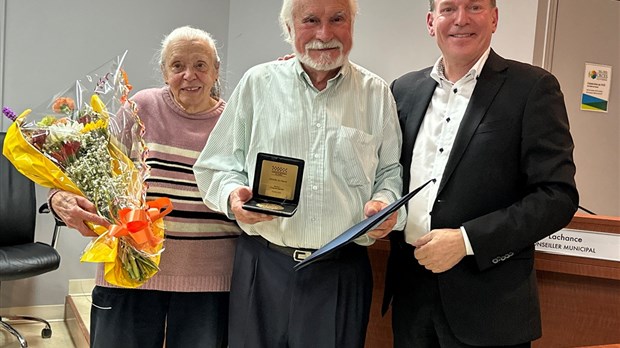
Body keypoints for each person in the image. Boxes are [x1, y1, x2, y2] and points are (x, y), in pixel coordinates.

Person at [192, 0, 405, 346]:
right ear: (289, 29)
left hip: (340, 272)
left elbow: (390, 172)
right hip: (263, 266)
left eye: (338, 19)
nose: (324, 34)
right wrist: (233, 195)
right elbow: (216, 164)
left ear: (352, 25)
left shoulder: (376, 94)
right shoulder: (256, 84)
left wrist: (385, 203)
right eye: (310, 20)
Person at [382, 1, 579, 347]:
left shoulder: (532, 88)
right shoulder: (402, 91)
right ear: (431, 22)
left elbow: (557, 196)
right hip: (411, 301)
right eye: (448, 9)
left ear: (494, 18)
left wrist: (467, 240)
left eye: (474, 6)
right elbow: (386, 174)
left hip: (490, 307)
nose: (460, 19)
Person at [48, 26, 240, 348]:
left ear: (216, 71)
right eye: (177, 66)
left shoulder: (236, 121)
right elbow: (88, 169)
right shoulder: (140, 107)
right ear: (164, 72)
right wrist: (59, 198)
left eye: (200, 65)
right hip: (128, 270)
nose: (189, 75)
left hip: (209, 279)